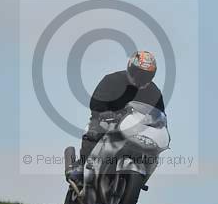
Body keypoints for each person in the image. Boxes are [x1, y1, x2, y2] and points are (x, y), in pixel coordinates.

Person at [66, 50, 165, 185]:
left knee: (154, 150)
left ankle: (139, 178)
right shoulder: (112, 80)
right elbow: (96, 100)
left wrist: (159, 126)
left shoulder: (154, 92)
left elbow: (159, 115)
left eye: (146, 75)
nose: (141, 78)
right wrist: (103, 112)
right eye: (139, 73)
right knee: (95, 130)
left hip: (137, 129)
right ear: (130, 68)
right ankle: (81, 165)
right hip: (108, 120)